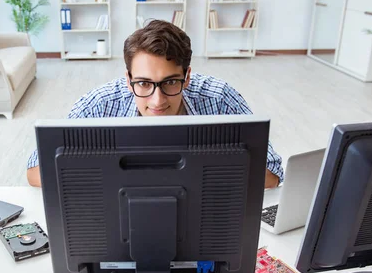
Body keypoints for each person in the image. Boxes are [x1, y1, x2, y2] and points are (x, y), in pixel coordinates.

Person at [27, 20, 283, 188]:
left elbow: (271, 175)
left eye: (171, 82)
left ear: (187, 76)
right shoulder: (99, 105)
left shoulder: (219, 98)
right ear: (128, 79)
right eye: (143, 84)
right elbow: (36, 171)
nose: (157, 101)